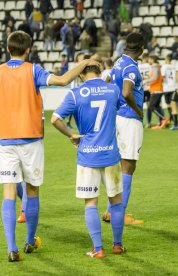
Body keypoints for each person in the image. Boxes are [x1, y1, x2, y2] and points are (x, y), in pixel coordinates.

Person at [0, 30, 100, 262]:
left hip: (5, 142)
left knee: (9, 193)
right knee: (32, 190)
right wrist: (83, 62)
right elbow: (63, 80)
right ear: (28, 49)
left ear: (7, 48)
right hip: (31, 140)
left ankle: (11, 248)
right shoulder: (33, 70)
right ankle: (30, 241)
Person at [51, 65, 126, 259]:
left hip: (87, 155)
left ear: (82, 74)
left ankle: (98, 249)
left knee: (91, 202)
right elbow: (117, 107)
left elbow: (55, 119)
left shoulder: (76, 93)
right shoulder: (113, 89)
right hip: (110, 154)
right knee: (116, 202)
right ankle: (117, 245)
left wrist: (71, 135)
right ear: (99, 73)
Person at [102, 32, 145, 225]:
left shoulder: (119, 62)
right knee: (128, 166)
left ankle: (111, 210)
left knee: (119, 165)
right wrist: (138, 110)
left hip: (117, 117)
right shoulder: (131, 67)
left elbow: (109, 82)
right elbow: (127, 92)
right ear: (142, 49)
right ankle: (121, 214)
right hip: (129, 118)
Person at [143, 55, 169, 129]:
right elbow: (155, 77)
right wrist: (147, 78)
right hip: (158, 89)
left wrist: (145, 81)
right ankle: (161, 123)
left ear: (152, 59)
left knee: (151, 107)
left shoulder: (154, 67)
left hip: (156, 90)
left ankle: (163, 119)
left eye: (149, 59)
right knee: (157, 107)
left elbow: (154, 78)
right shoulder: (157, 67)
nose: (148, 61)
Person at [161, 54, 176, 122]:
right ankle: (172, 117)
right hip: (173, 87)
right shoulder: (174, 67)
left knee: (168, 104)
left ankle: (171, 117)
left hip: (166, 88)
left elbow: (162, 76)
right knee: (172, 104)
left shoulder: (164, 67)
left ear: (167, 59)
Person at [138, 53, 152, 127]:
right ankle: (149, 123)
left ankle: (140, 122)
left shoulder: (139, 66)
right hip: (149, 88)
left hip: (141, 88)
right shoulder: (150, 66)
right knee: (149, 106)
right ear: (147, 58)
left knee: (140, 106)